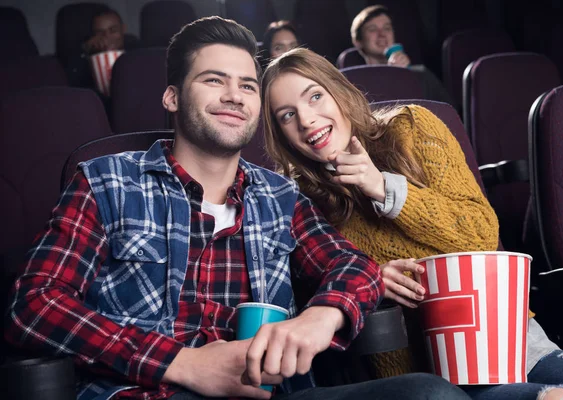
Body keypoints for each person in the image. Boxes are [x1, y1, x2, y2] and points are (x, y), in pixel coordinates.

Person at [4, 16, 470, 400]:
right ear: (172, 97)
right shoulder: (106, 181)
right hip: (147, 392)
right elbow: (33, 305)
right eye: (214, 80)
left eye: (248, 86)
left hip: (275, 394)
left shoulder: (281, 197)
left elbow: (354, 267)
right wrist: (181, 364)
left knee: (430, 394)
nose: (234, 95)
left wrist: (319, 317)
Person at [261, 47, 563, 400]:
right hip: (422, 375)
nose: (306, 119)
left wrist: (382, 187)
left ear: (338, 92)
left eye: (315, 96)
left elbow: (481, 233)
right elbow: (309, 303)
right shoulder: (297, 198)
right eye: (287, 115)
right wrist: (371, 281)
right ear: (281, 134)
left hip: (511, 344)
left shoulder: (411, 128)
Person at [348, 5, 455, 108]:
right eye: (372, 29)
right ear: (358, 41)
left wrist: (404, 77)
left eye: (387, 28)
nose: (382, 34)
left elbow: (449, 115)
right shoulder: (352, 86)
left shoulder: (422, 75)